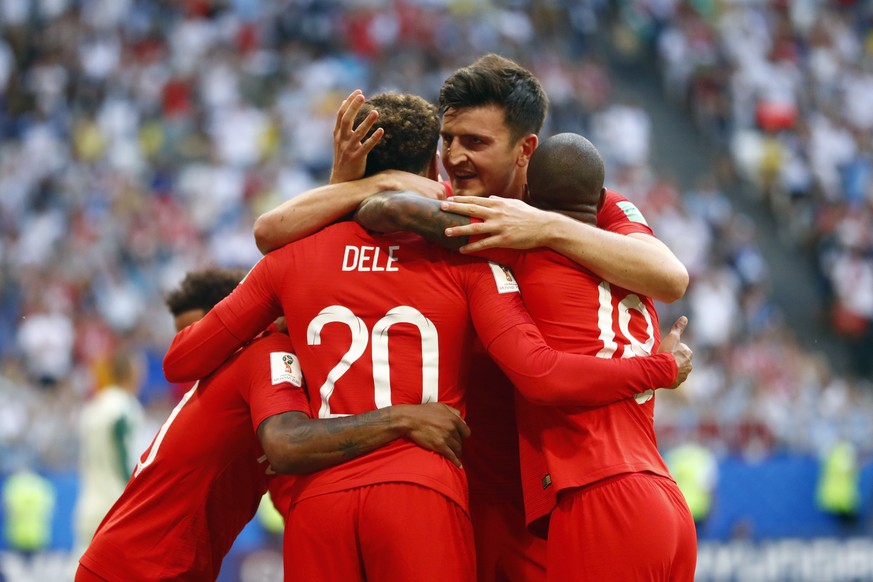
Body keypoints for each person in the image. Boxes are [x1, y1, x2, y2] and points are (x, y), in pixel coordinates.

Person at [163, 93, 691, 582]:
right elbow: (539, 370)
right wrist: (661, 368)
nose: (458, 157)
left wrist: (277, 346)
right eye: (449, 141)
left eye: (475, 142)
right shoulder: (472, 254)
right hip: (445, 490)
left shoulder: (303, 259)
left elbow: (671, 277)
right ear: (430, 167)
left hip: (339, 500)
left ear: (524, 151)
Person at [358, 132, 698, 579]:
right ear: (600, 199)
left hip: (599, 498)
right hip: (664, 498)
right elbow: (670, 276)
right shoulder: (633, 262)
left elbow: (392, 210)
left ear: (528, 196)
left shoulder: (524, 253)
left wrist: (419, 189)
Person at [77, 267, 471, 582]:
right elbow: (287, 446)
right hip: (142, 569)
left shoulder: (267, 378)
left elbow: (295, 495)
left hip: (147, 563)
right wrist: (403, 416)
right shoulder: (268, 354)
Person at [73, 346, 145, 554]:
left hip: (88, 503)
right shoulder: (125, 407)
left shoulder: (93, 406)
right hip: (115, 504)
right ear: (130, 373)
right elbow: (126, 456)